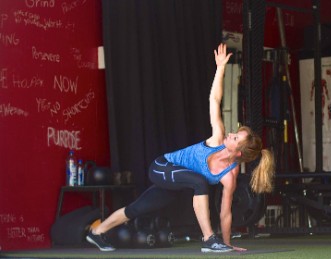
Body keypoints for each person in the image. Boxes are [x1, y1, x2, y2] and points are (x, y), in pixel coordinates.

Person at [86, 43, 275, 253]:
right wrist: (220, 68)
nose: (230, 134)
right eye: (235, 132)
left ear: (239, 152)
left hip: (174, 183)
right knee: (199, 181)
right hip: (162, 166)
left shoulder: (229, 175)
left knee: (136, 209)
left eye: (235, 137)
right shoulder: (217, 138)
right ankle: (208, 239)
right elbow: (214, 100)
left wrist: (228, 243)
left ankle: (97, 232)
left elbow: (225, 212)